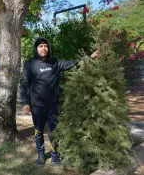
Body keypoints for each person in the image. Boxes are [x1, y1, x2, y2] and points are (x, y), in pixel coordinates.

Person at [19, 37, 99, 166]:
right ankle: (40, 155)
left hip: (53, 105)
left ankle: (55, 155)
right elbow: (23, 84)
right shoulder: (30, 64)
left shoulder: (55, 62)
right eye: (40, 46)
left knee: (54, 131)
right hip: (37, 105)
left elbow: (73, 63)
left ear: (48, 48)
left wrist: (89, 57)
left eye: (45, 46)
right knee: (38, 131)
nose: (43, 48)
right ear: (36, 49)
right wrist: (24, 102)